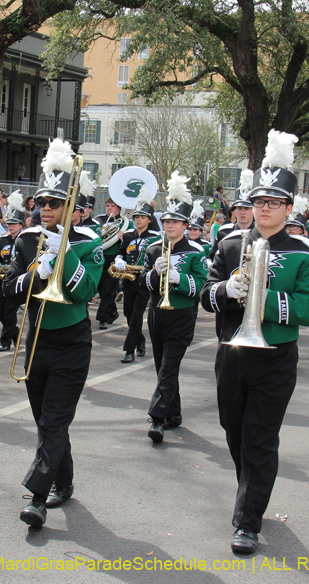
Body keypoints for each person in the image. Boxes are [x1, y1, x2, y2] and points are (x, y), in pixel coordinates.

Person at [201, 130, 309, 554]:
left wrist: (261, 298)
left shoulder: (302, 250)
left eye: (273, 203)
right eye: (258, 202)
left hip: (275, 357)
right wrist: (227, 292)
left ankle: (247, 520)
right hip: (231, 353)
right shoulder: (231, 243)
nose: (264, 209)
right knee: (233, 431)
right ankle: (249, 491)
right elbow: (206, 293)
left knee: (259, 436)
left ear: (289, 208)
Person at [1, 139, 103, 528]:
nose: (45, 209)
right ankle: (65, 478)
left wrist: (67, 254)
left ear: (72, 208)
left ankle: (37, 497)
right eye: (41, 203)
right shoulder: (26, 240)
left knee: (54, 422)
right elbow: (8, 295)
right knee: (47, 420)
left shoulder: (89, 243)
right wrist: (35, 274)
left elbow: (86, 292)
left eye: (54, 203)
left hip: (73, 342)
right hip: (37, 341)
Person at [143, 173, 207, 441]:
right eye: (166, 221)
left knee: (169, 366)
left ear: (184, 224)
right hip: (157, 314)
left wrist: (180, 279)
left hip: (181, 315)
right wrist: (156, 274)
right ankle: (175, 412)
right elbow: (144, 281)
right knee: (162, 366)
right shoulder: (154, 248)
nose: (169, 225)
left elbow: (202, 286)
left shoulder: (196, 251)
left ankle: (157, 418)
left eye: (175, 222)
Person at [114, 188, 160, 363]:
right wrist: (119, 259)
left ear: (149, 219)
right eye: (137, 217)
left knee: (136, 315)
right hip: (128, 279)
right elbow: (121, 252)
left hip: (144, 280)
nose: (139, 220)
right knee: (128, 313)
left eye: (142, 217)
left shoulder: (155, 237)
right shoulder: (127, 236)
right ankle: (140, 341)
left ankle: (129, 350)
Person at [0, 192, 26, 352]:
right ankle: (15, 333)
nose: (11, 226)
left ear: (21, 225)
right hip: (2, 279)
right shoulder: (1, 240)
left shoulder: (25, 241)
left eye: (15, 223)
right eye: (9, 223)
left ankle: (5, 341)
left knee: (9, 312)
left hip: (16, 281)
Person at [94, 197, 125, 329]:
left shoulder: (124, 223)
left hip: (114, 258)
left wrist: (124, 235)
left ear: (119, 209)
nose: (109, 208)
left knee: (109, 288)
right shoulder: (99, 220)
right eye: (107, 205)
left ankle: (103, 318)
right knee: (101, 287)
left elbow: (131, 240)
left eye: (112, 205)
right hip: (99, 257)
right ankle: (112, 312)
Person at [211, 171, 254, 259]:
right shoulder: (223, 232)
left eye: (247, 209)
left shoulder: (260, 233)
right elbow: (213, 258)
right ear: (235, 210)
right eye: (239, 208)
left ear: (253, 210)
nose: (242, 212)